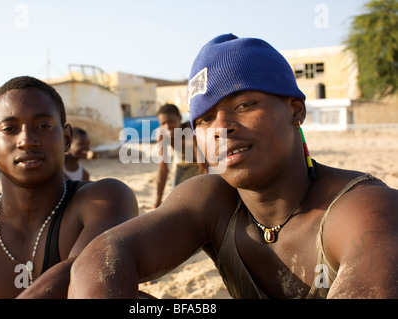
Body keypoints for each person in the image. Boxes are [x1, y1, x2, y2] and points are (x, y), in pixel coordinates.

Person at [68, 34, 398, 299]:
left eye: (244, 104)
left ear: (296, 110)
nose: (221, 127)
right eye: (206, 118)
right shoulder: (213, 200)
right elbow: (100, 259)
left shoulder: (364, 208)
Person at [0, 76, 138, 299]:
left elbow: (88, 279)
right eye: (10, 128)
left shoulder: (106, 200)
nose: (26, 140)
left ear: (67, 138)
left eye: (44, 126)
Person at [154, 104, 208, 208]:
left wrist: (206, 189)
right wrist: (157, 201)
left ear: (180, 118)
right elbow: (163, 167)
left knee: (199, 195)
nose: (168, 127)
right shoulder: (162, 135)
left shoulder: (190, 131)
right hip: (181, 160)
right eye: (163, 123)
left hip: (203, 161)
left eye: (171, 122)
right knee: (177, 195)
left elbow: (203, 164)